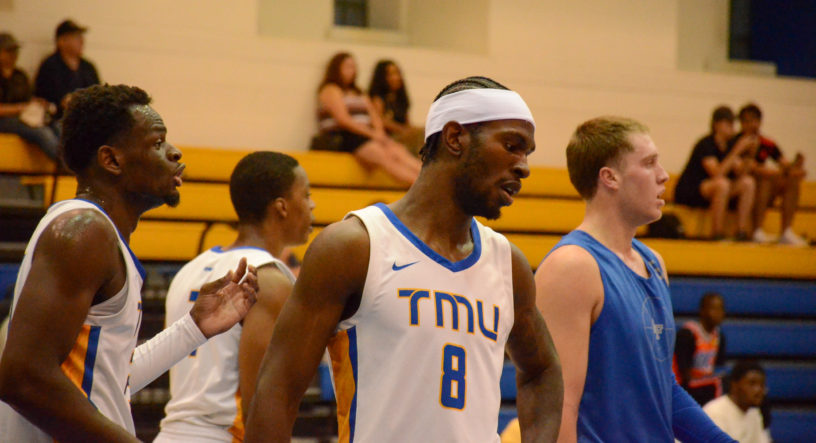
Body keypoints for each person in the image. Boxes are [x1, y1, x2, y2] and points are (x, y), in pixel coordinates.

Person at [245, 76, 563, 442]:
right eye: (512, 145)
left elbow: (543, 370)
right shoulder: (354, 246)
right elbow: (278, 389)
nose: (523, 166)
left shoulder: (508, 265)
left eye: (527, 153)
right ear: (455, 137)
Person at [0, 84, 258, 442]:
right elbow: (22, 378)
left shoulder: (98, 235)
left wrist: (194, 327)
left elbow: (112, 377)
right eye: (157, 142)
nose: (175, 151)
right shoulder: (85, 232)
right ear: (112, 160)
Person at [535, 117, 735, 442]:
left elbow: (663, 389)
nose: (663, 175)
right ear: (609, 178)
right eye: (649, 163)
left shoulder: (654, 263)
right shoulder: (571, 267)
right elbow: (557, 408)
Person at [155, 151, 315, 442]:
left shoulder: (189, 270)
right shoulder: (268, 277)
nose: (312, 205)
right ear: (282, 207)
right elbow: (264, 404)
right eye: (306, 195)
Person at [312, 52, 420, 185]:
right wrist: (372, 134)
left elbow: (374, 116)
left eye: (354, 67)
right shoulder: (330, 89)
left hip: (367, 135)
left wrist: (379, 133)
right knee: (385, 157)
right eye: (347, 67)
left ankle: (430, 179)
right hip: (346, 136)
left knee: (398, 151)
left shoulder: (359, 92)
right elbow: (343, 120)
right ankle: (419, 185)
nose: (352, 71)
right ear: (336, 69)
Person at [674, 106, 756, 240]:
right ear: (717, 124)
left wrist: (749, 154)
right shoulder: (706, 144)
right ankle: (717, 233)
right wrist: (737, 150)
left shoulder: (730, 145)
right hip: (693, 191)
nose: (732, 127)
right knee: (722, 184)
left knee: (748, 183)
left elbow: (741, 172)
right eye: (728, 123)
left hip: (715, 190)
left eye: (733, 124)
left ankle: (741, 232)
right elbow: (717, 173)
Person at [733, 103, 807, 245]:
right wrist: (780, 172)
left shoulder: (767, 143)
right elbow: (754, 169)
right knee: (763, 179)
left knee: (791, 181)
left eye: (754, 120)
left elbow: (784, 164)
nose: (751, 125)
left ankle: (786, 231)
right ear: (741, 124)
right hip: (743, 189)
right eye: (746, 121)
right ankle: (757, 230)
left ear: (760, 122)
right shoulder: (737, 142)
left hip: (764, 186)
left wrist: (796, 166)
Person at [0, 32, 59, 160]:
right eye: (9, 51)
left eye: (15, 51)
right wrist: (20, 108)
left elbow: (28, 98)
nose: (14, 55)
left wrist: (38, 103)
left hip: (24, 116)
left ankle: (73, 160)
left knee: (56, 126)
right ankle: (62, 162)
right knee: (41, 133)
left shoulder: (20, 75)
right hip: (4, 120)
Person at [34, 19, 101, 123]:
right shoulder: (50, 66)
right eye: (76, 37)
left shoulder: (88, 67)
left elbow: (99, 94)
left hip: (87, 117)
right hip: (57, 119)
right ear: (61, 41)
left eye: (81, 37)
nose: (82, 41)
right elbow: (58, 100)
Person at [674, 292, 727, 406]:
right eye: (714, 309)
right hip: (684, 386)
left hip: (705, 386)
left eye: (721, 309)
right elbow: (683, 374)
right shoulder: (688, 334)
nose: (719, 313)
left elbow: (718, 368)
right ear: (702, 311)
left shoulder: (719, 336)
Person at [703, 361, 770, 443]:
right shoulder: (715, 413)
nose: (759, 390)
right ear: (734, 385)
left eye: (762, 385)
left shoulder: (754, 413)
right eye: (752, 384)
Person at [368, 59, 424, 155]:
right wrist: (402, 130)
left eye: (397, 74)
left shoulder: (400, 98)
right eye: (391, 75)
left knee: (424, 133)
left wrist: (410, 130)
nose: (396, 78)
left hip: (402, 134)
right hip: (388, 137)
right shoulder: (378, 98)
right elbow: (380, 120)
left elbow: (407, 122)